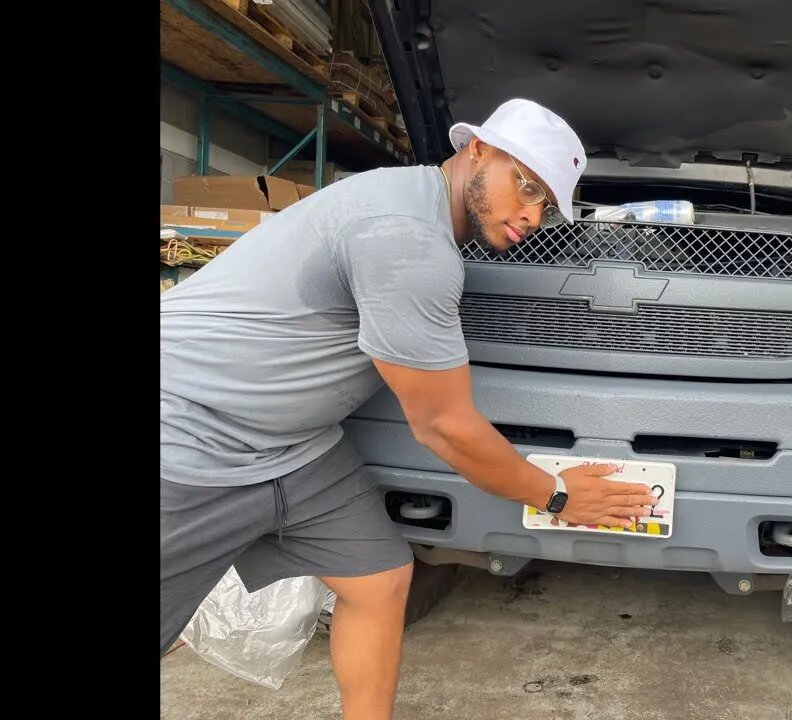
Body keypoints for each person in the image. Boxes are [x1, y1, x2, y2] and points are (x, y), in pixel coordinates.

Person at [161, 98, 659, 719]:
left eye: (547, 206)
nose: (533, 214)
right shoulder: (407, 240)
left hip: (294, 446)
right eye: (525, 185)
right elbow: (443, 427)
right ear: (477, 148)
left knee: (378, 577)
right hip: (189, 429)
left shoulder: (412, 202)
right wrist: (555, 494)